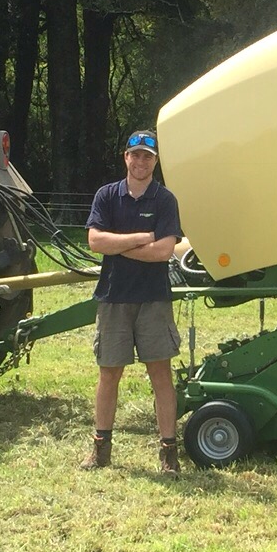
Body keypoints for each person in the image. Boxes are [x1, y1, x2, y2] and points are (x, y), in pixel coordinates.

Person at [82, 129, 184, 472]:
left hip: (153, 299)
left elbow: (165, 252)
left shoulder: (165, 200)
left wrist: (120, 246)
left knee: (160, 374)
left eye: (148, 156)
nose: (141, 162)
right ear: (125, 157)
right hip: (114, 297)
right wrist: (141, 238)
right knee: (109, 373)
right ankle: (100, 449)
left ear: (155, 162)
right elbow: (95, 241)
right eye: (135, 155)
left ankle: (169, 453)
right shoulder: (107, 196)